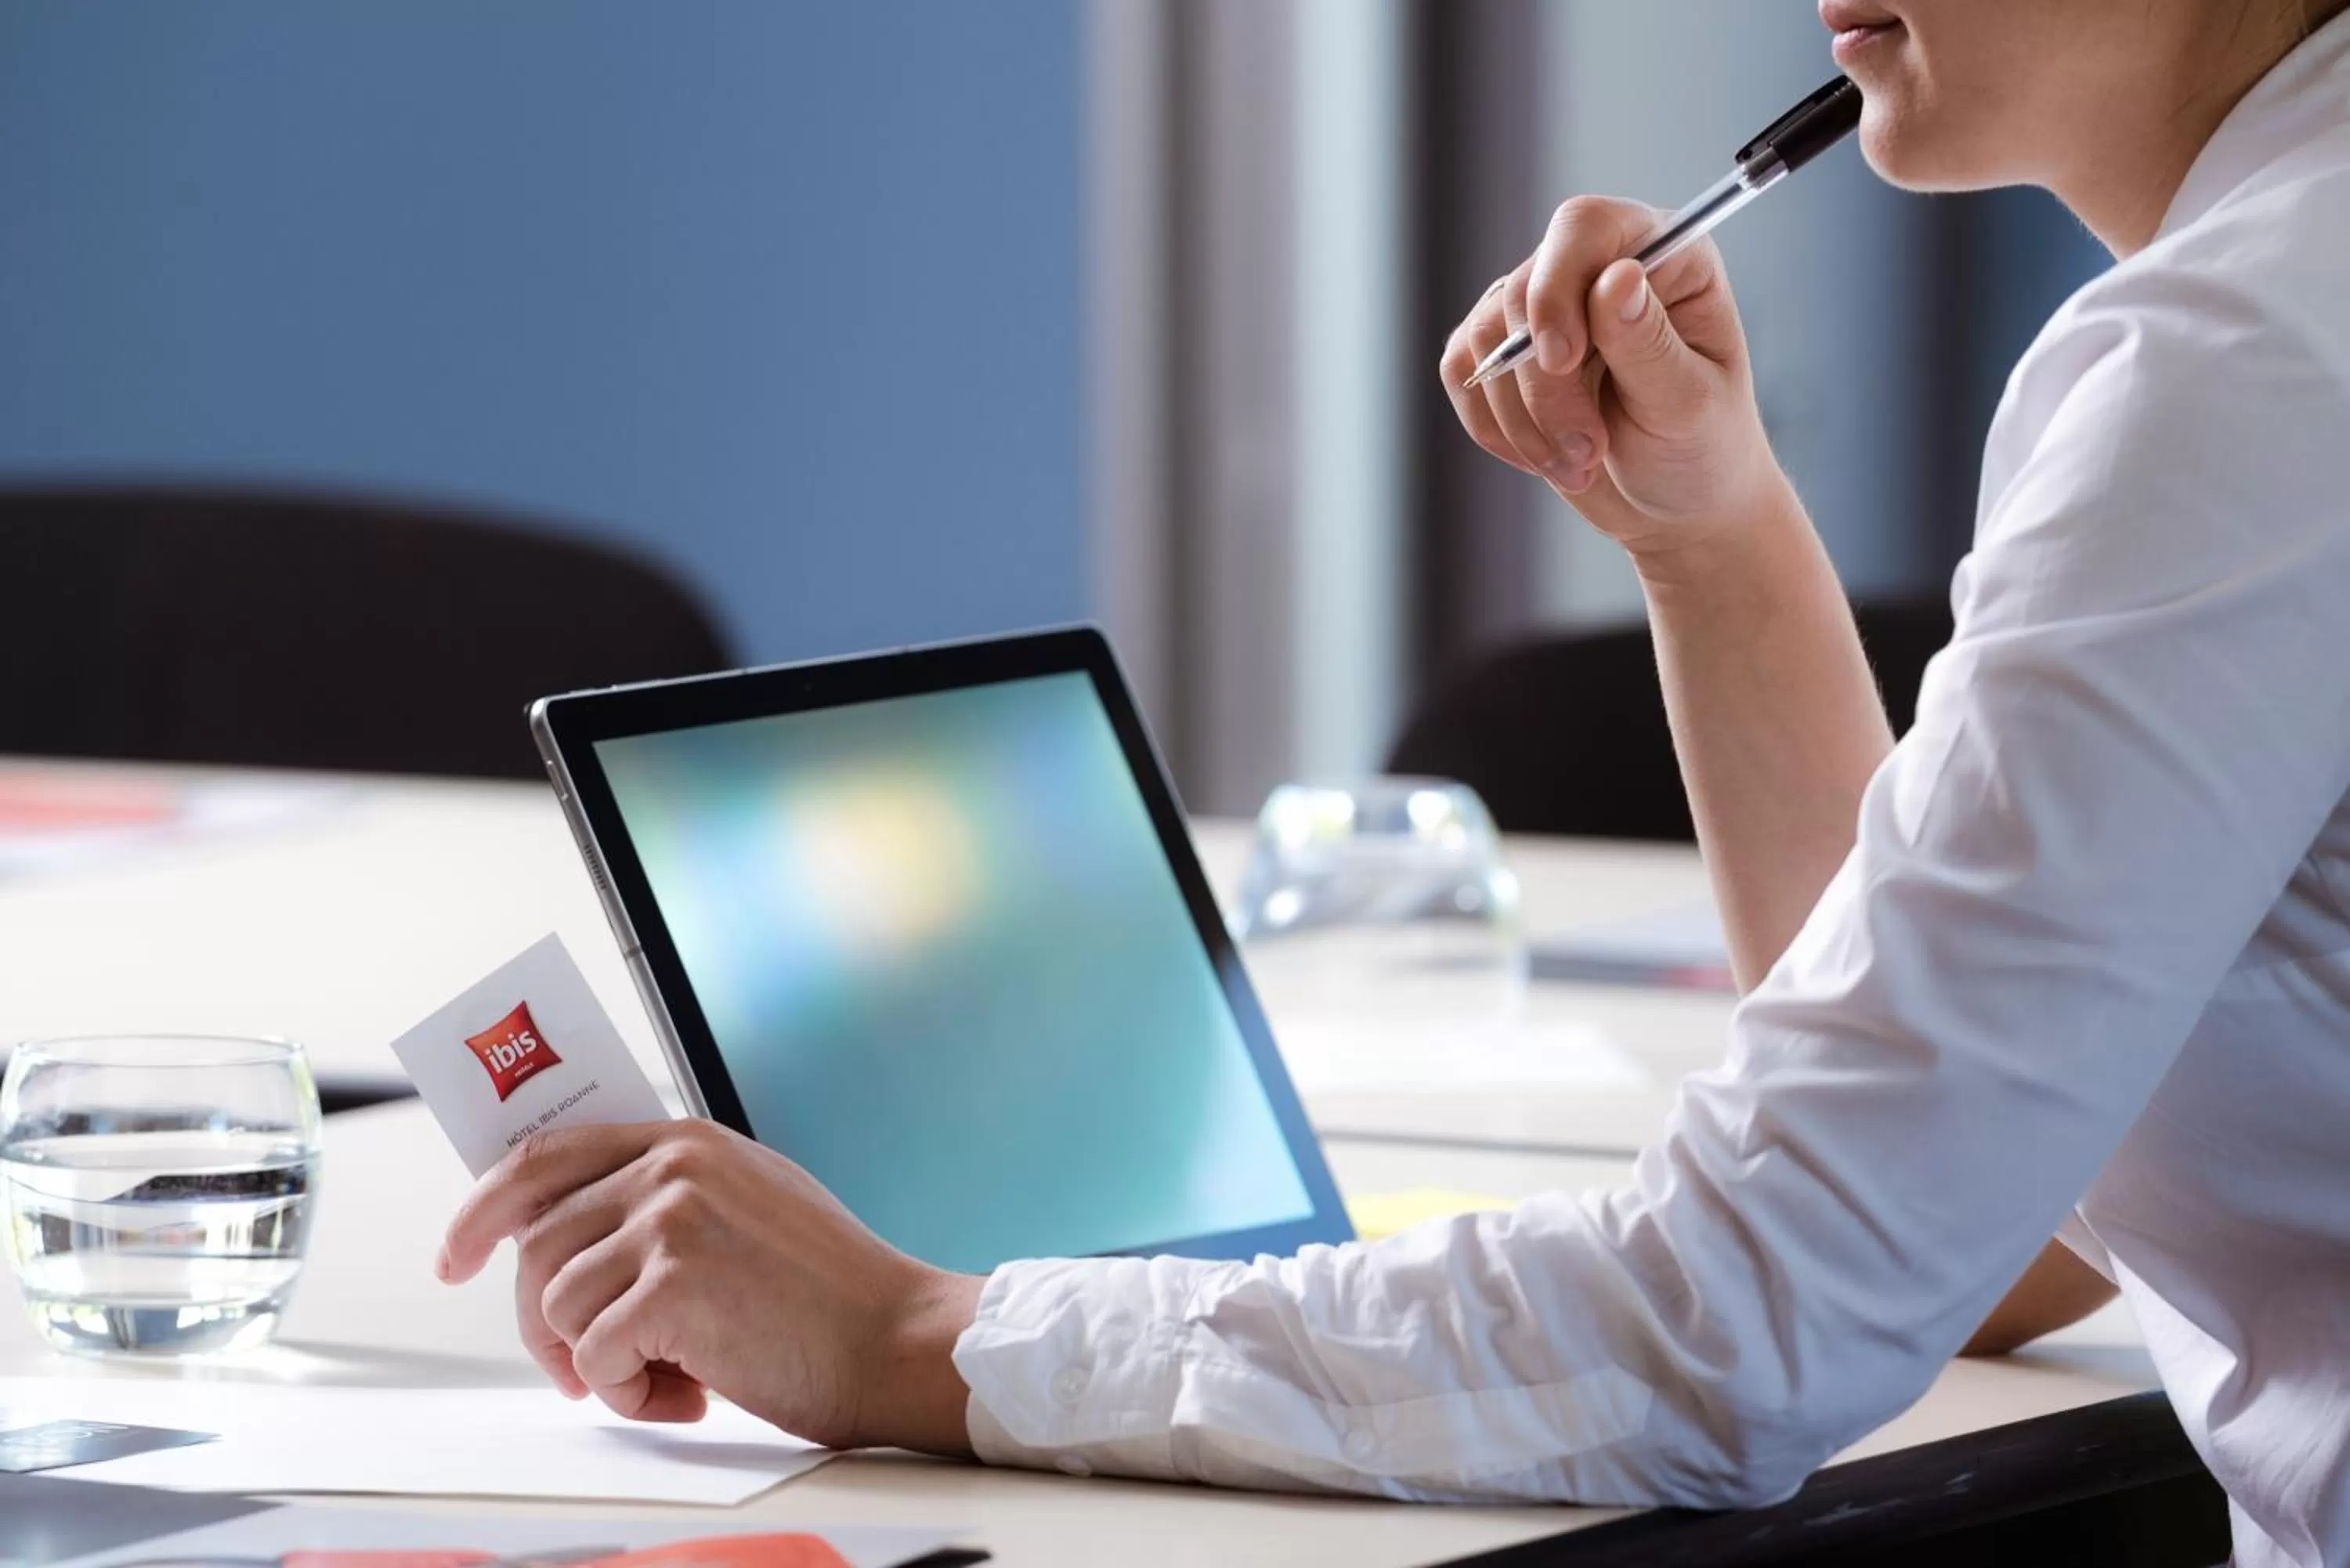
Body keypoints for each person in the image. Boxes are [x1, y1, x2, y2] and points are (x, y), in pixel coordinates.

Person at [436, 1, 2350, 1559]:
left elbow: (1742, 1314)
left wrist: (908, 1332)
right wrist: (1707, 536)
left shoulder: (2242, 365)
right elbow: (1985, 1227)